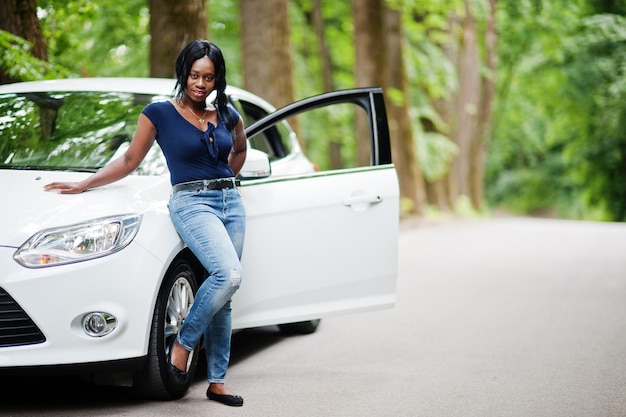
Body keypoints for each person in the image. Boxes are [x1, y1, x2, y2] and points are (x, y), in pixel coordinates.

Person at [44, 40, 247, 407]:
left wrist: (228, 180)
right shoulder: (159, 113)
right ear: (183, 74)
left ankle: (217, 382)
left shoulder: (228, 115)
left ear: (218, 79)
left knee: (225, 296)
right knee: (228, 275)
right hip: (191, 202)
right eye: (194, 75)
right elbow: (129, 160)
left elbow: (241, 149)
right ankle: (184, 342)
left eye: (209, 77)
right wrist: (84, 183)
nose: (201, 84)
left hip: (230, 202)